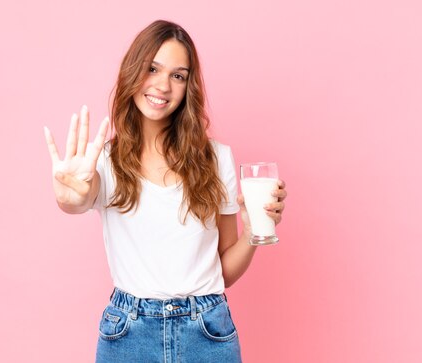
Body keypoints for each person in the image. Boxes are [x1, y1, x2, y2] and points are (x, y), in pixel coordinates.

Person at [43, 19, 287, 363]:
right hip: (129, 334)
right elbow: (77, 198)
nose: (163, 85)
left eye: (178, 75)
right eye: (152, 68)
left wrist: (254, 232)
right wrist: (69, 195)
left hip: (207, 331)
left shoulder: (217, 159)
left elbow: (224, 273)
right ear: (133, 72)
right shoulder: (105, 161)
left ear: (189, 87)